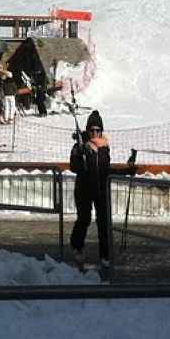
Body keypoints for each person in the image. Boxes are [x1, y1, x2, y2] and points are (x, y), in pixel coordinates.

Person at [69, 110, 112, 272]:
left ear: (101, 131)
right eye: (91, 130)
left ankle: (105, 255)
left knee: (103, 222)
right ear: (87, 130)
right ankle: (77, 245)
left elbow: (106, 169)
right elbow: (74, 166)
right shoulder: (80, 146)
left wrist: (127, 171)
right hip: (84, 189)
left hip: (100, 189)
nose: (94, 133)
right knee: (84, 218)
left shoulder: (104, 147)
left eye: (97, 130)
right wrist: (81, 155)